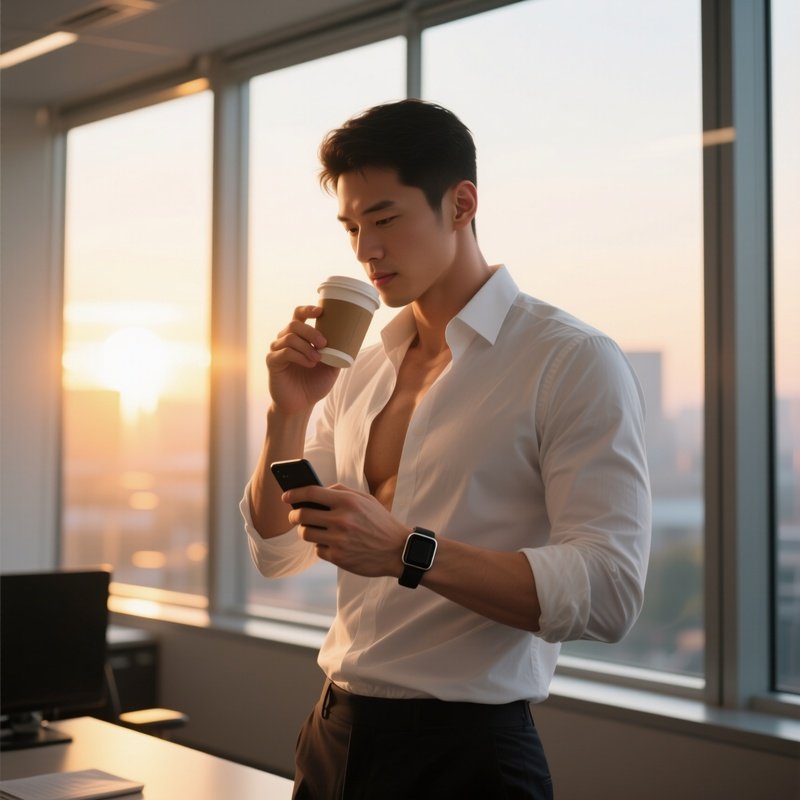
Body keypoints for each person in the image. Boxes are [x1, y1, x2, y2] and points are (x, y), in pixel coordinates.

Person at [241, 99, 651, 799]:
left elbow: (609, 592)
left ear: (461, 204)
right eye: (351, 226)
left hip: (467, 756)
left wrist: (408, 552)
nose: (365, 249)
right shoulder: (363, 366)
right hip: (333, 733)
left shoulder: (570, 360)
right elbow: (277, 551)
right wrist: (288, 411)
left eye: (385, 218)